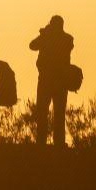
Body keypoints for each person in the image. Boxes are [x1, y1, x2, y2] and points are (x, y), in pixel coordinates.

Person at [29, 15, 74, 146]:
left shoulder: (57, 38)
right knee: (54, 112)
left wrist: (45, 34)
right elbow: (32, 46)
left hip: (50, 80)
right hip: (55, 80)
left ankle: (44, 142)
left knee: (48, 112)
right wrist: (45, 35)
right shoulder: (66, 38)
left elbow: (33, 45)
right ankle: (54, 142)